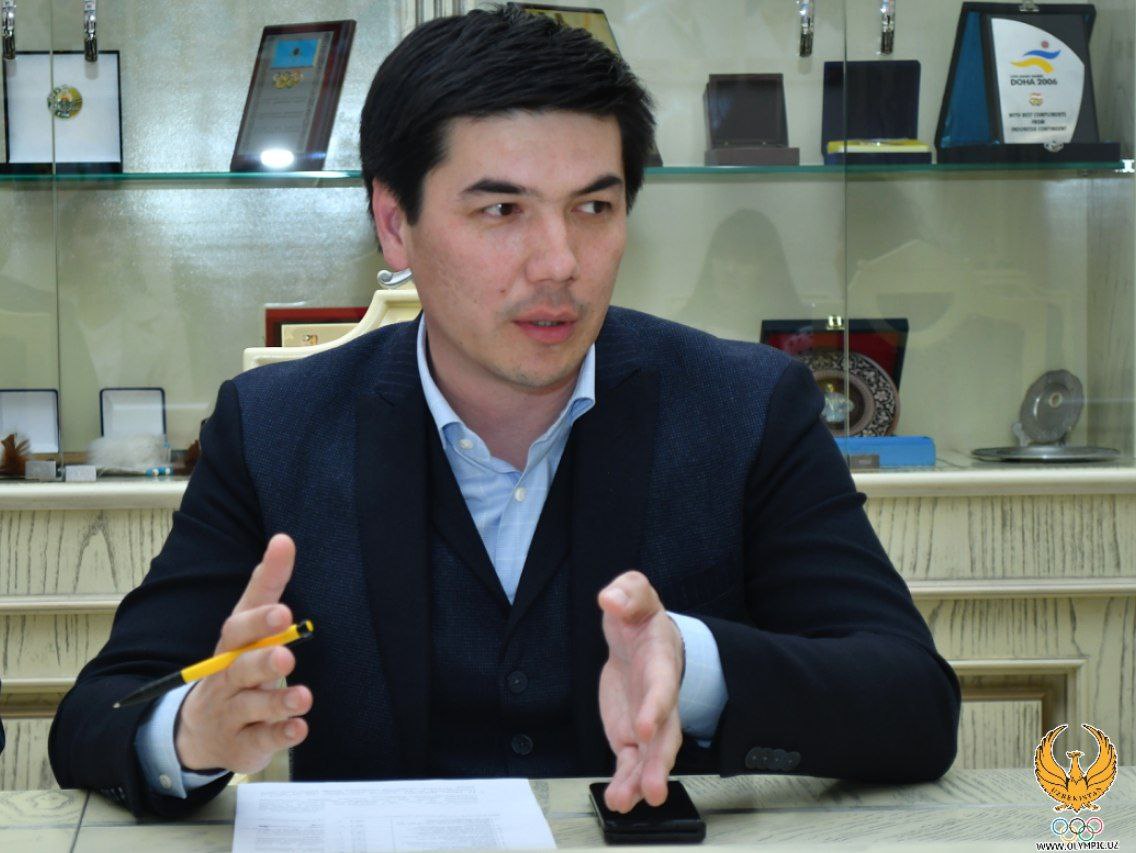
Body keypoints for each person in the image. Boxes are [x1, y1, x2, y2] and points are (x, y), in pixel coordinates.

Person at [49, 6, 959, 819]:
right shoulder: (275, 428)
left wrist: (694, 663)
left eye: (594, 206)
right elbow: (95, 716)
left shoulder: (746, 407)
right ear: (394, 222)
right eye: (502, 210)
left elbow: (915, 702)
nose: (559, 261)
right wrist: (194, 729)